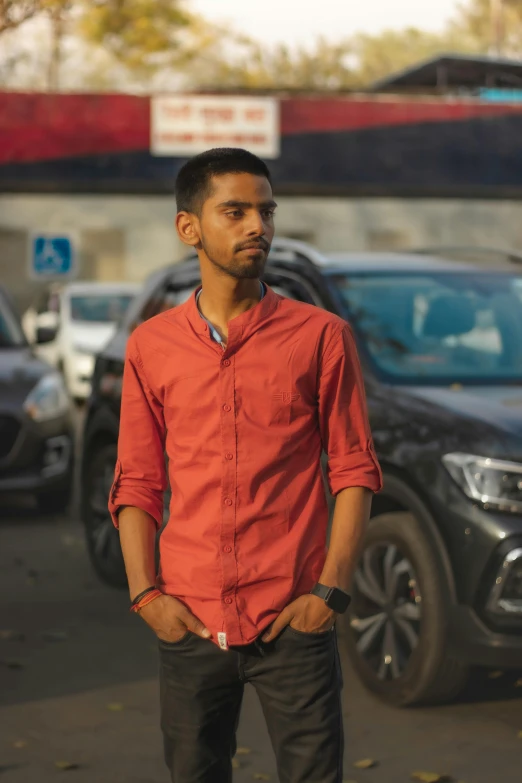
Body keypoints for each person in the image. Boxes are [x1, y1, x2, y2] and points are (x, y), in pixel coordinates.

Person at [109, 147, 382, 783]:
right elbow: (137, 481)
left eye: (265, 210)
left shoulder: (320, 336)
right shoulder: (151, 346)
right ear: (190, 228)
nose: (257, 225)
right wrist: (146, 594)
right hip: (190, 617)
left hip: (296, 615)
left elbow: (353, 470)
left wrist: (329, 593)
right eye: (234, 211)